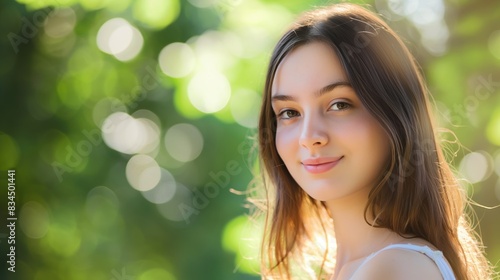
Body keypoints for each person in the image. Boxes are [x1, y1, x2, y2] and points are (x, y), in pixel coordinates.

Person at [256, 3, 494, 280]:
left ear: (394, 114)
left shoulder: (393, 267)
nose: (309, 137)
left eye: (339, 104)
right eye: (289, 113)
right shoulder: (371, 266)